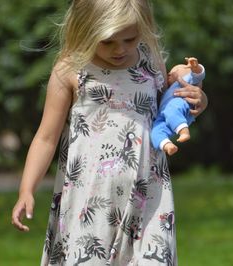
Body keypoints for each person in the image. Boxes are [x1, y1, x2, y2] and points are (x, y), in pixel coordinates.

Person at [11, 0, 208, 265]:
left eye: (130, 38)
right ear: (85, 30)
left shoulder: (150, 63)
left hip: (148, 193)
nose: (121, 49)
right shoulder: (70, 71)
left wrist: (198, 102)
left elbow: (169, 110)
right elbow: (46, 138)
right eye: (107, 42)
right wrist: (27, 189)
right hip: (91, 197)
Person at [151, 57, 205, 156]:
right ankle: (167, 145)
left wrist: (196, 68)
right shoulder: (169, 89)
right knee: (156, 130)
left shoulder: (185, 81)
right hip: (165, 115)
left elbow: (198, 76)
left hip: (178, 105)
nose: (169, 74)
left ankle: (184, 132)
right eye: (169, 73)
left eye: (175, 71)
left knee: (172, 109)